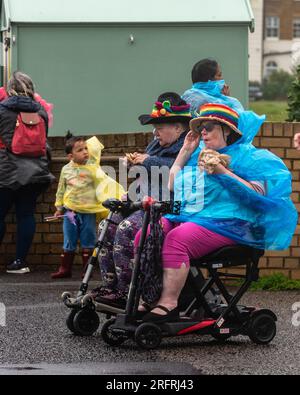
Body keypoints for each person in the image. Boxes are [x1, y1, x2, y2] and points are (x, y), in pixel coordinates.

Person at [135, 103, 297, 323]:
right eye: (201, 127)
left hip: (233, 224)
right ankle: (150, 297)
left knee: (176, 240)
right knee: (146, 233)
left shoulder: (252, 158)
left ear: (227, 129)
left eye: (208, 126)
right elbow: (174, 185)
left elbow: (258, 196)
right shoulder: (199, 155)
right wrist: (184, 152)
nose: (202, 132)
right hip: (196, 219)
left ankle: (169, 303)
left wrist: (222, 172)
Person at [91, 92, 192, 308]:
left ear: (178, 127)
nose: (155, 132)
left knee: (127, 228)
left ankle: (130, 292)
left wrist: (149, 161)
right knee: (106, 225)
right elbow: (147, 178)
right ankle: (112, 287)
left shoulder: (188, 146)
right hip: (145, 201)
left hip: (169, 207)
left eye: (160, 127)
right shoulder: (155, 146)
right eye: (154, 127)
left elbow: (179, 172)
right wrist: (131, 187)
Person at [0, 71, 54, 274]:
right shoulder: (40, 112)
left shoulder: (1, 110)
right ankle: (20, 261)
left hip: (5, 172)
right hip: (35, 172)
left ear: (9, 89)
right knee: (26, 215)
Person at [51, 134, 125, 279]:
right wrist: (59, 207)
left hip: (89, 211)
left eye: (86, 148)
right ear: (70, 156)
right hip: (70, 211)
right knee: (69, 239)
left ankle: (87, 270)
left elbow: (96, 150)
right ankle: (65, 269)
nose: (85, 151)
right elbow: (61, 189)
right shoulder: (66, 170)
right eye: (80, 150)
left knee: (88, 239)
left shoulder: (93, 167)